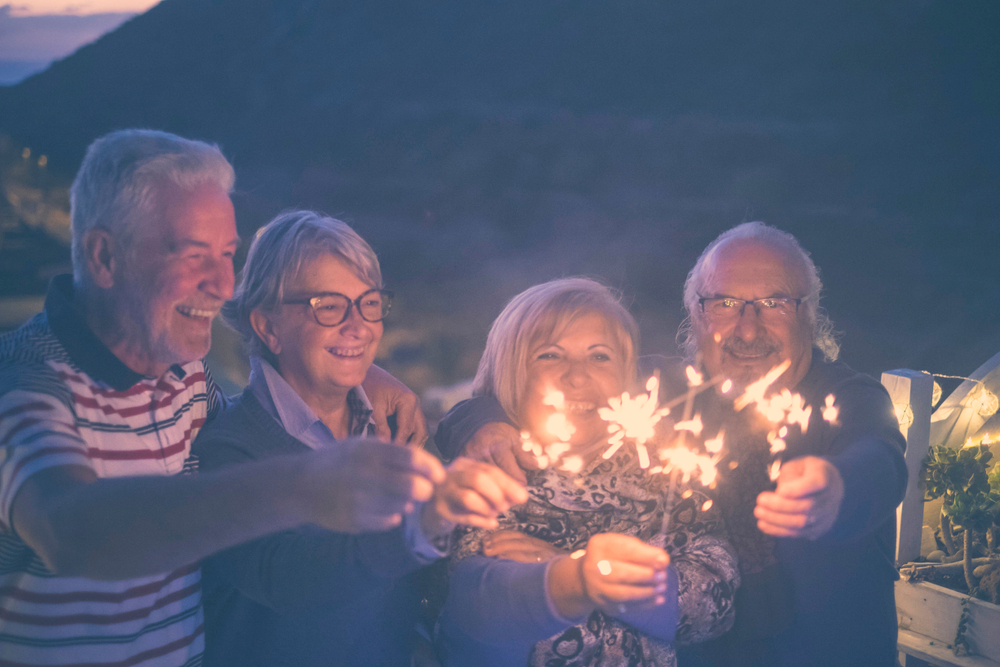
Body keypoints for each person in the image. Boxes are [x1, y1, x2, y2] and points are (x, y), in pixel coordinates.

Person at [0, 130, 452, 666]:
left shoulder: (185, 373)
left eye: (228, 255)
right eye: (195, 256)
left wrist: (359, 370)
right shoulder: (25, 383)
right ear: (105, 256)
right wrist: (307, 484)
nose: (222, 283)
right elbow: (71, 531)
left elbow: (274, 382)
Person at [435, 223, 908, 667]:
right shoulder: (671, 390)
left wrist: (836, 490)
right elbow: (556, 378)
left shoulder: (847, 400)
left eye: (774, 302)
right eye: (724, 303)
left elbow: (880, 462)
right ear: (695, 314)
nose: (747, 327)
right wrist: (481, 422)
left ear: (809, 312)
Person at [193, 210, 527, 666]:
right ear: (268, 326)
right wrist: (421, 526)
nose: (359, 326)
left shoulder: (392, 429)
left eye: (368, 303)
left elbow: (461, 428)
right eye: (328, 306)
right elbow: (284, 578)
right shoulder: (230, 447)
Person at [435, 278, 739, 667]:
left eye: (599, 357)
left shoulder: (671, 469)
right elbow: (478, 602)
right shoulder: (490, 474)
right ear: (513, 374)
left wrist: (579, 569)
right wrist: (581, 581)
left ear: (627, 374)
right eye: (550, 355)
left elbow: (715, 601)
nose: (577, 377)